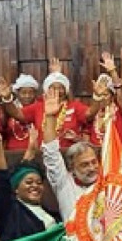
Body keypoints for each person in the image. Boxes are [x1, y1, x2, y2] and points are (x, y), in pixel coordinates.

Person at [0, 59, 92, 150]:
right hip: (44, 155)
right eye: (52, 88)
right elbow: (17, 114)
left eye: (60, 88)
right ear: (46, 90)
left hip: (69, 154)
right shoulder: (39, 106)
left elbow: (90, 114)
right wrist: (6, 98)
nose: (57, 91)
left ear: (66, 90)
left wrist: (98, 97)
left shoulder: (75, 106)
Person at [0, 125, 59, 241]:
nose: (35, 186)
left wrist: (30, 151)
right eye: (29, 182)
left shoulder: (50, 213)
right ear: (15, 189)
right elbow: (1, 182)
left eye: (39, 182)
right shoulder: (10, 211)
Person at [39, 87, 100, 222]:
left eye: (94, 162)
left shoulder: (107, 184)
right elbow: (51, 152)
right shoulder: (64, 183)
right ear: (72, 168)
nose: (92, 168)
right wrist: (49, 117)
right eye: (84, 164)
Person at [3, 73, 41, 151]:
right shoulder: (10, 109)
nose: (27, 96)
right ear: (17, 94)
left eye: (31, 93)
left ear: (35, 94)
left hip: (35, 152)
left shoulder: (40, 108)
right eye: (23, 93)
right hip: (12, 153)